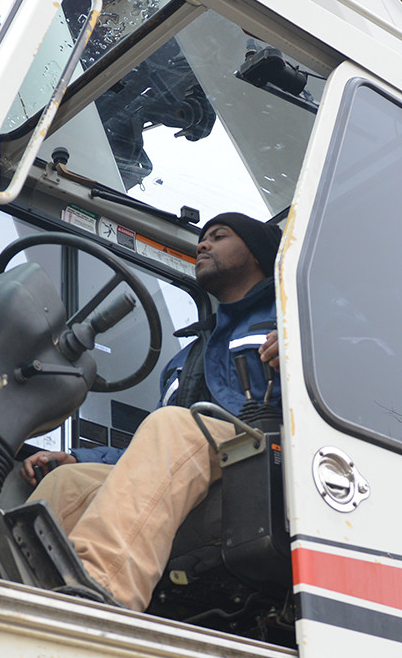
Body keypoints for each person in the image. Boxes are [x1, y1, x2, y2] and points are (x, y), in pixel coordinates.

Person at [19, 211, 282, 609]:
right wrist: (80, 457)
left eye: (219, 236)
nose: (203, 244)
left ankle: (103, 590)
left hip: (261, 446)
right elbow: (151, 450)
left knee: (175, 425)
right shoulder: (185, 358)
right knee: (67, 483)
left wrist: (306, 350)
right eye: (203, 238)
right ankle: (10, 590)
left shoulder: (293, 317)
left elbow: (360, 363)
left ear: (257, 253)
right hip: (193, 449)